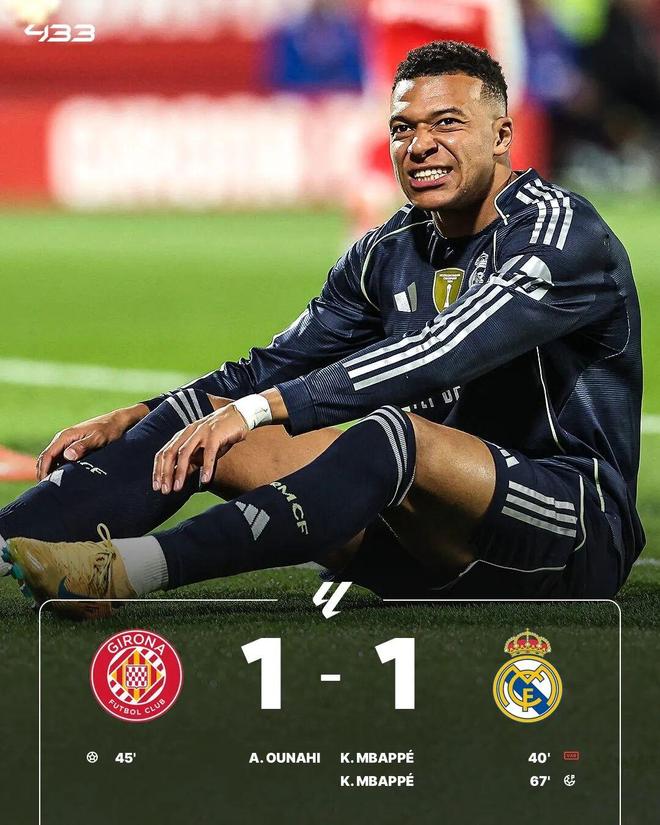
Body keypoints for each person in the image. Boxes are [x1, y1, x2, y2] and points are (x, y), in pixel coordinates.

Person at [0, 41, 644, 618]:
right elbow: (274, 365)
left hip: (570, 536)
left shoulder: (559, 235)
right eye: (403, 128)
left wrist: (261, 408)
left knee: (392, 434)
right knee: (199, 418)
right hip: (418, 548)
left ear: (502, 135)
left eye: (447, 123)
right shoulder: (387, 250)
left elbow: (442, 353)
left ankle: (125, 571)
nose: (420, 146)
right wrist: (140, 414)